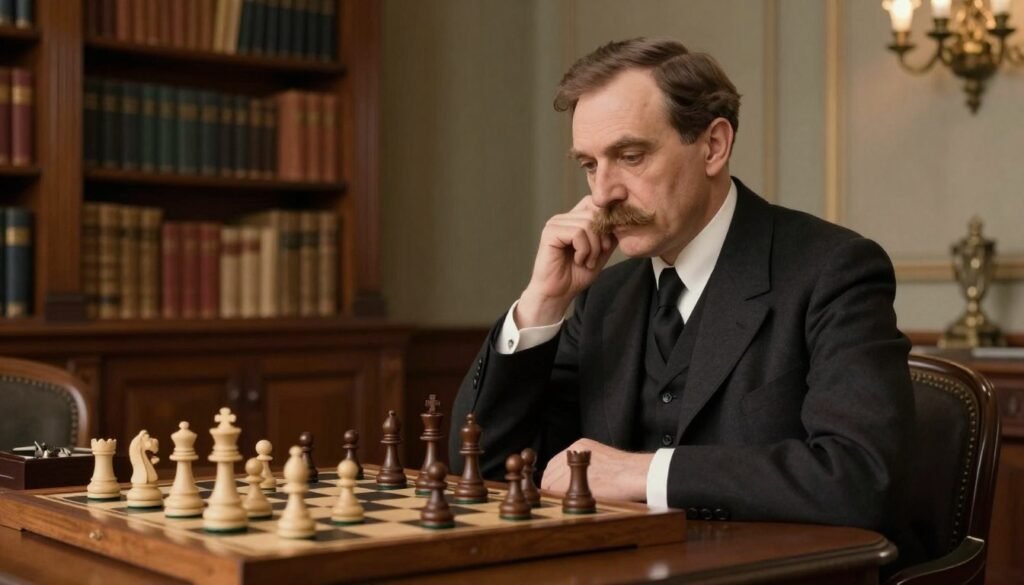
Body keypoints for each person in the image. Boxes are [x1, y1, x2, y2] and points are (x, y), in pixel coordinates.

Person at [449, 37, 915, 551]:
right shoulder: (604, 297)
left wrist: (646, 475)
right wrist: (542, 302)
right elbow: (484, 469)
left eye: (629, 156)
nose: (603, 193)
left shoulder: (834, 270)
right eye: (589, 164)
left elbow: (860, 477)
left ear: (714, 146)